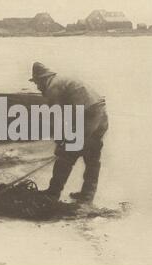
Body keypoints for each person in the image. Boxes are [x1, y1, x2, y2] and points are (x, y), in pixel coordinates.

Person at [29, 62, 109, 204]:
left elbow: (57, 117)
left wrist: (61, 143)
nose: (37, 87)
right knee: (92, 156)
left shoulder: (53, 87)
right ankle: (87, 196)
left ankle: (53, 193)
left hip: (89, 115)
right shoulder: (63, 80)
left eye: (37, 83)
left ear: (43, 79)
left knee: (65, 156)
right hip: (101, 115)